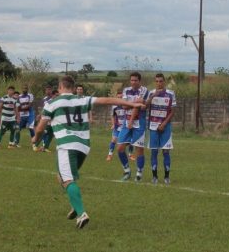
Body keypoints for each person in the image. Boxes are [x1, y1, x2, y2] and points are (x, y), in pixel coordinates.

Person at [32, 76, 146, 229]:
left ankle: (81, 214)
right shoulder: (82, 99)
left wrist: (35, 140)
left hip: (67, 145)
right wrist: (132, 104)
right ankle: (75, 204)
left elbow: (40, 129)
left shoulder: (52, 103)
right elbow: (108, 100)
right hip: (84, 146)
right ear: (73, 88)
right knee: (61, 176)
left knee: (67, 180)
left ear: (60, 87)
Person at [117, 72, 149, 181]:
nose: (133, 82)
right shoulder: (126, 90)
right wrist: (135, 103)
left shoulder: (144, 90)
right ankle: (127, 171)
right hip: (127, 123)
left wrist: (131, 118)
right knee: (120, 148)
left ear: (139, 81)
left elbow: (134, 107)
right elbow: (124, 105)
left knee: (139, 149)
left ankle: (139, 173)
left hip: (138, 123)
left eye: (135, 80)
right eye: (132, 80)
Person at [146, 73, 176, 184]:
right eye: (157, 81)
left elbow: (172, 111)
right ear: (155, 82)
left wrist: (164, 124)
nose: (159, 83)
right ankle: (154, 177)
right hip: (153, 126)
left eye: (161, 81)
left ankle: (167, 177)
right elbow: (145, 106)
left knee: (166, 152)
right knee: (154, 152)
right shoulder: (151, 93)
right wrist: (152, 97)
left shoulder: (170, 94)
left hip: (165, 127)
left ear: (164, 82)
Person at [33, 85, 56, 152]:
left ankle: (45, 147)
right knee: (44, 132)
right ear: (45, 91)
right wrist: (40, 116)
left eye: (49, 89)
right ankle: (36, 145)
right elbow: (42, 109)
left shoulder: (55, 100)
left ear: (52, 91)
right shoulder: (45, 99)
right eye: (47, 89)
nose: (48, 91)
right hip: (46, 119)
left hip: (52, 119)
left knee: (51, 134)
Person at [106, 90, 126, 161]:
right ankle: (109, 155)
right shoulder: (114, 106)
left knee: (128, 142)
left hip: (126, 126)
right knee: (114, 139)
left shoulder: (126, 105)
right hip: (117, 126)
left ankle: (130, 154)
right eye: (118, 97)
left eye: (121, 97)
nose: (120, 99)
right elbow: (113, 116)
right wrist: (113, 124)